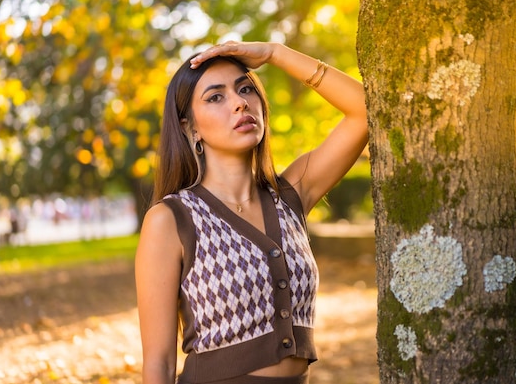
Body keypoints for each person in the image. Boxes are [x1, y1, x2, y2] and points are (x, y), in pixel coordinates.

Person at [135, 41, 368, 384]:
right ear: (190, 129)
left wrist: (275, 54)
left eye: (245, 89)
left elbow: (365, 110)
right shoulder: (171, 219)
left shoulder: (290, 196)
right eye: (216, 97)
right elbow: (158, 364)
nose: (240, 102)